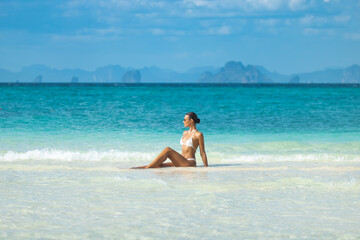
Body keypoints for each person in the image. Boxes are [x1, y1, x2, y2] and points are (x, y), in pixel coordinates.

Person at [131, 112, 208, 168]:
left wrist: (206, 169)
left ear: (191, 121)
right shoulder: (185, 133)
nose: (183, 121)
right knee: (159, 165)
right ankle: (137, 168)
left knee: (168, 150)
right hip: (181, 160)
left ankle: (146, 169)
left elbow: (202, 152)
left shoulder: (198, 134)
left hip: (189, 163)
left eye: (185, 120)